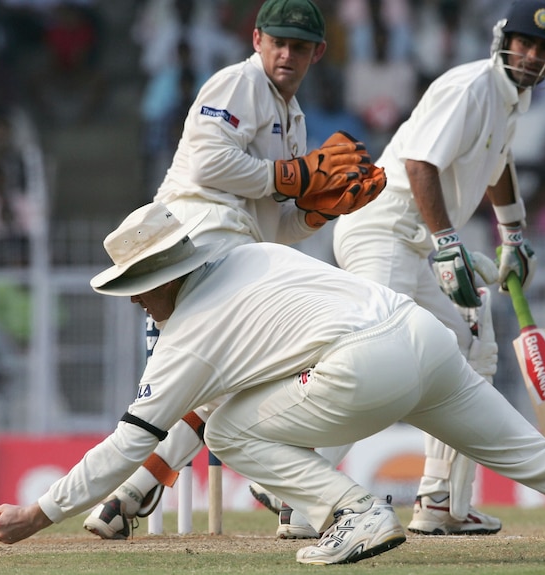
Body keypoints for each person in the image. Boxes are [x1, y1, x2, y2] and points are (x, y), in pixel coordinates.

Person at [0, 202, 545, 565]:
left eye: (139, 285)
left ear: (164, 273)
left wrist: (38, 514)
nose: (137, 300)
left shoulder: (189, 334)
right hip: (423, 340)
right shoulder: (246, 253)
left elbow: (126, 443)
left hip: (364, 362)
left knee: (231, 428)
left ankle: (356, 511)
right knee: (539, 456)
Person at [80, 0, 385, 540]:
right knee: (256, 372)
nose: (286, 54)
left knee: (227, 384)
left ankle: (130, 495)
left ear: (318, 52)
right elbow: (210, 165)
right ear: (257, 40)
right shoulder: (238, 84)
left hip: (237, 249)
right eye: (277, 42)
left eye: (298, 46)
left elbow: (275, 222)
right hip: (194, 241)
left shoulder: (293, 118)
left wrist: (317, 210)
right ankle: (289, 487)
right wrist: (294, 176)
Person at [321, 0, 545, 537]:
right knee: (378, 356)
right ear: (505, 41)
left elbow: (497, 165)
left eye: (544, 51)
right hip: (383, 229)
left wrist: (514, 230)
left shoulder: (511, 102)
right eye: (526, 44)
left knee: (469, 350)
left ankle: (442, 502)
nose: (532, 57)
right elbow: (420, 163)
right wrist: (449, 242)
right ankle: (292, 485)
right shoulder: (470, 87)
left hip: (417, 244)